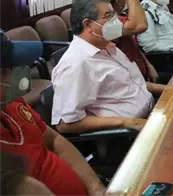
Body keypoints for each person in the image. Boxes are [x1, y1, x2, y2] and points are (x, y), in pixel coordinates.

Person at [0, 31, 105, 196]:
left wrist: (95, 187)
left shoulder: (12, 103)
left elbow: (55, 140)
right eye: (6, 70)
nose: (16, 73)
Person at [52, 0, 163, 134]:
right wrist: (127, 122)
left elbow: (131, 84)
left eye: (114, 14)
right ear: (88, 24)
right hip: (128, 134)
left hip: (153, 113)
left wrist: (171, 90)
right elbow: (65, 123)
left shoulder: (108, 46)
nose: (116, 20)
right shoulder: (75, 65)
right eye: (109, 16)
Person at [93, 0, 159, 83]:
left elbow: (133, 46)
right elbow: (140, 25)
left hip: (142, 75)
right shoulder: (109, 24)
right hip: (132, 82)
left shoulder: (121, 18)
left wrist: (148, 65)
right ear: (119, 0)